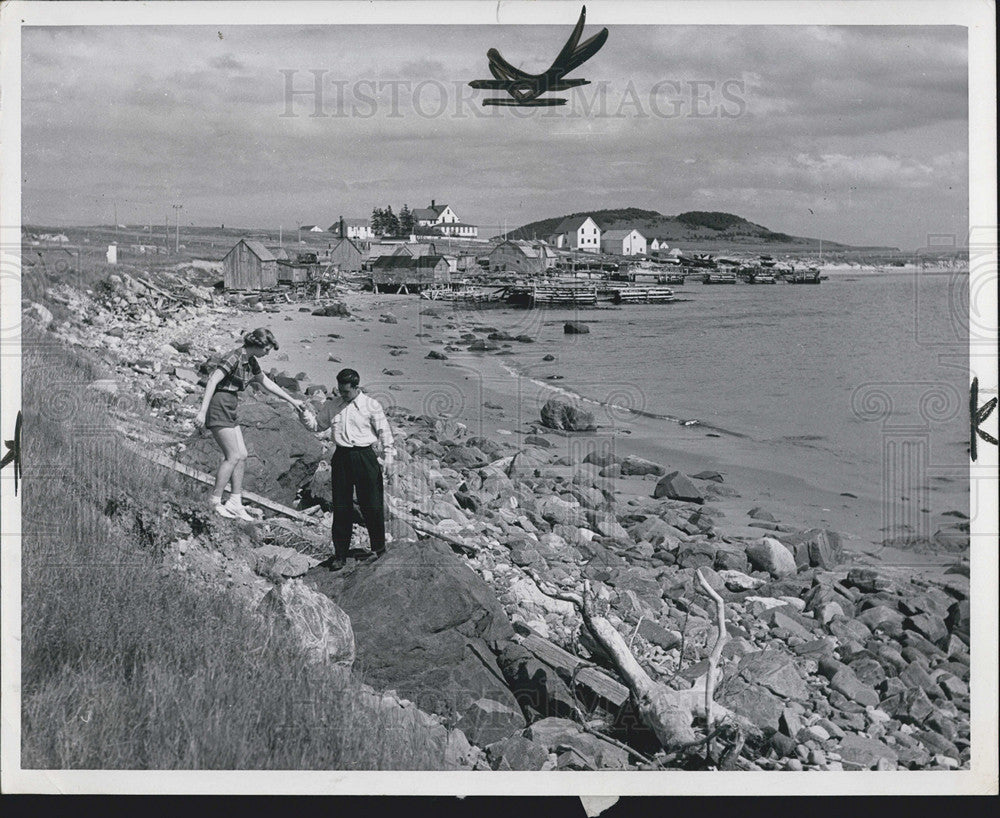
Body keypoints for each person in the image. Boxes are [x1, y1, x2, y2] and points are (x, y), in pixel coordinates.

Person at [195, 328, 305, 520]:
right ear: (258, 345)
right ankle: (214, 501)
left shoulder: (251, 361)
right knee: (233, 456)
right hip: (220, 403)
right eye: (267, 349)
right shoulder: (235, 356)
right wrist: (202, 411)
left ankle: (235, 502)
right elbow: (213, 380)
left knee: (243, 455)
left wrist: (292, 401)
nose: (267, 354)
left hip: (230, 404)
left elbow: (268, 384)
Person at [300, 368, 395, 570]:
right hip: (342, 457)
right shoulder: (332, 405)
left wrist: (388, 458)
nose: (342, 395)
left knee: (372, 504)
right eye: (340, 391)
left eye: (346, 392)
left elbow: (384, 432)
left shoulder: (371, 405)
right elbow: (317, 426)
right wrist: (305, 415)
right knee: (341, 506)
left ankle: (378, 549)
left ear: (356, 387)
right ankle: (340, 555)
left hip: (365, 456)